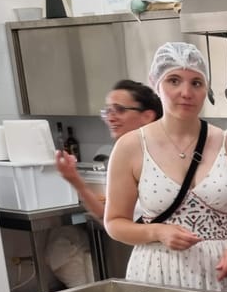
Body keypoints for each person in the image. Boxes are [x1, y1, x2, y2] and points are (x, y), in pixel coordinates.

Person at [104, 42, 227, 292]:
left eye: (196, 83)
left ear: (205, 88)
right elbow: (114, 222)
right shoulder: (131, 147)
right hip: (159, 273)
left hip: (223, 275)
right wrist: (157, 231)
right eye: (174, 81)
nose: (186, 92)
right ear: (157, 84)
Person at [54, 80, 163, 220]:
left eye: (120, 110)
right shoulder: (124, 157)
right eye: (108, 111)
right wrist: (75, 180)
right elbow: (111, 220)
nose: (110, 118)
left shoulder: (164, 157)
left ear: (147, 116)